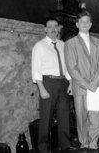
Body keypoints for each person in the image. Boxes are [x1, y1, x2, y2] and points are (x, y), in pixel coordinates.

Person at [31, 17, 72, 153]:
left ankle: (65, 146)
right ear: (45, 29)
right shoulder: (39, 46)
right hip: (48, 83)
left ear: (59, 28)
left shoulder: (63, 45)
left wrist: (70, 83)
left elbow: (67, 66)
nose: (53, 29)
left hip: (63, 82)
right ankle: (43, 148)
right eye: (50, 26)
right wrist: (41, 88)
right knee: (46, 118)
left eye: (56, 26)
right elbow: (36, 69)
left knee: (64, 115)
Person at [64, 11, 99, 150]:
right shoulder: (70, 43)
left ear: (91, 24)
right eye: (82, 22)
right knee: (81, 116)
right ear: (77, 24)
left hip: (96, 85)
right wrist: (87, 85)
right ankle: (84, 143)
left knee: (95, 116)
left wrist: (95, 83)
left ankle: (93, 143)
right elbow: (72, 68)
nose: (85, 24)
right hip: (80, 86)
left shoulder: (98, 42)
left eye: (87, 22)